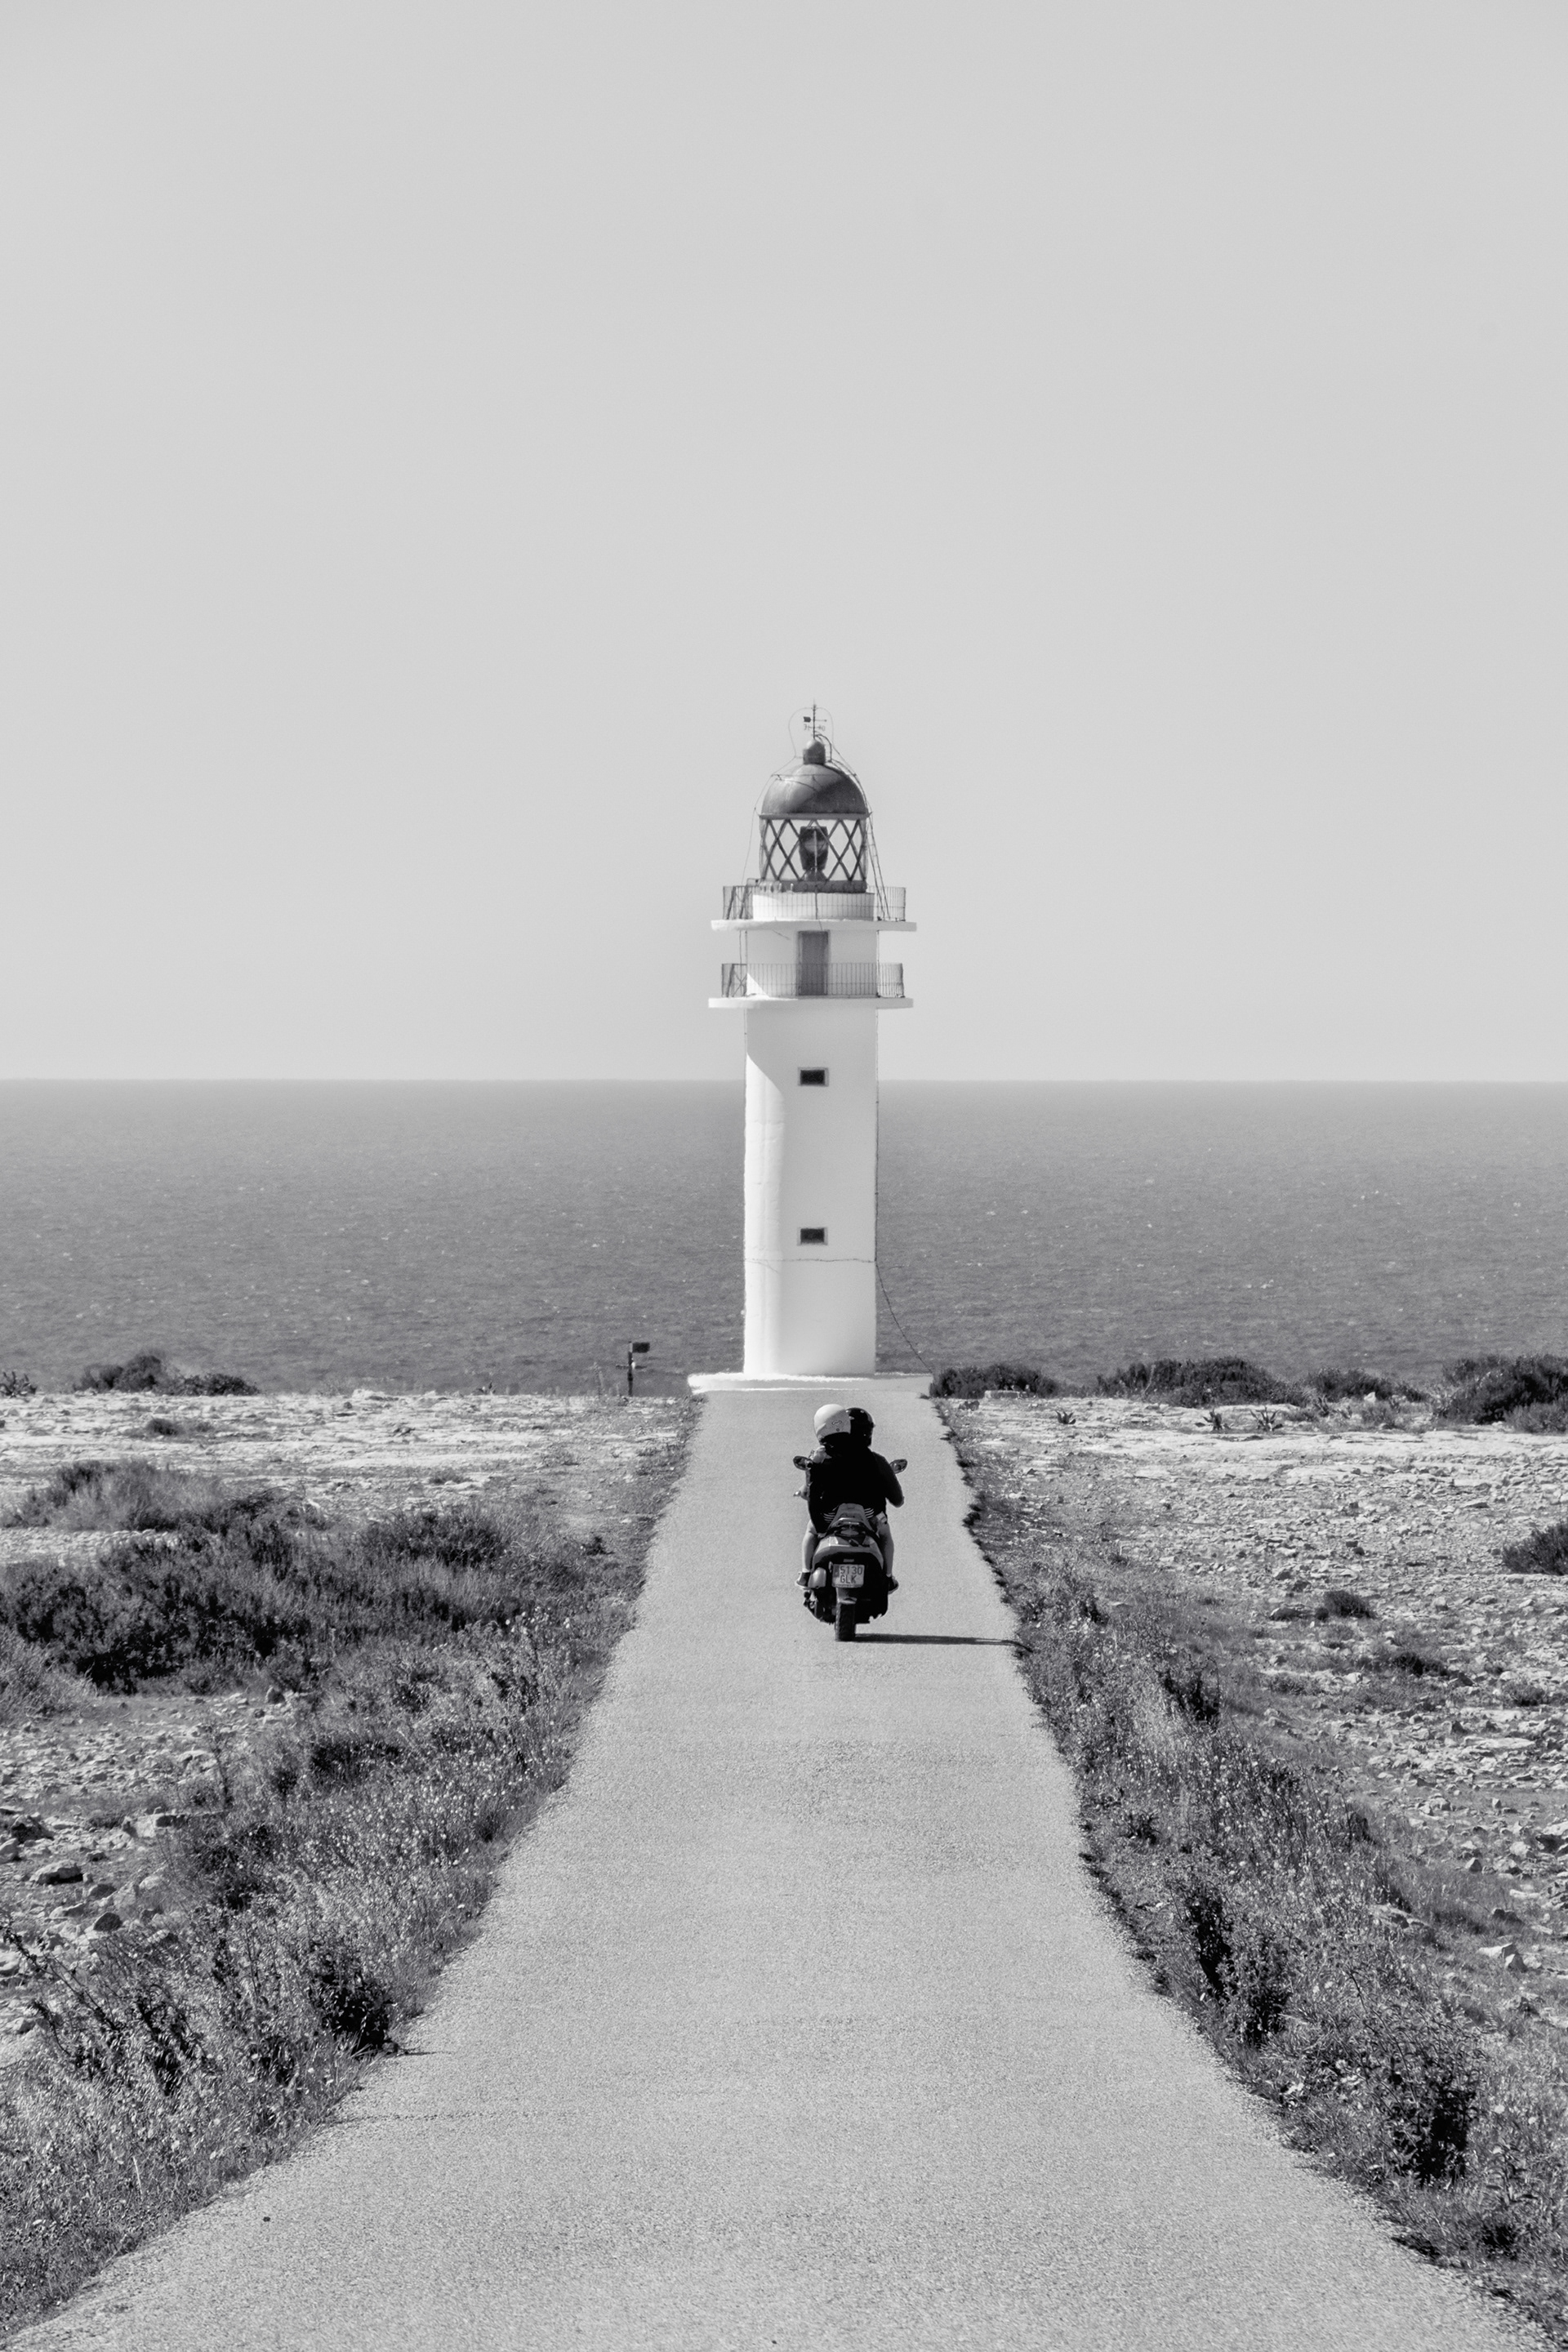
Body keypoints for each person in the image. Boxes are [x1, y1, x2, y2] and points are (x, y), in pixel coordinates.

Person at [799, 1402, 904, 1588]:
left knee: (811, 1530)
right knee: (886, 1535)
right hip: (870, 1514)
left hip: (831, 1515)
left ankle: (806, 1574)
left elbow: (813, 1486)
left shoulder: (821, 1456)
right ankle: (887, 1577)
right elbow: (897, 1500)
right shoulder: (875, 1459)